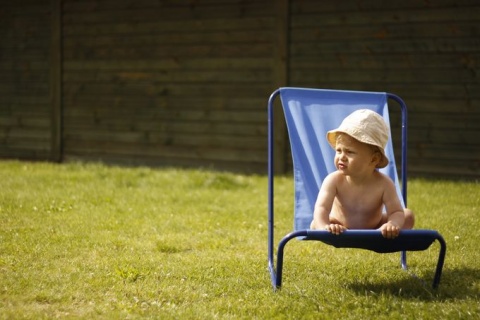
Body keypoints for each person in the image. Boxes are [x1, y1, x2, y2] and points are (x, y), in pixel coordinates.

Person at [310, 109, 414, 239]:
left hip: (375, 228)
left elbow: (396, 211)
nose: (341, 157)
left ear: (374, 159)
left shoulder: (384, 184)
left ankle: (386, 236)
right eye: (338, 150)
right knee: (316, 222)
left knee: (407, 216)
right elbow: (321, 208)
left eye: (349, 152)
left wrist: (392, 224)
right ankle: (326, 229)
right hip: (340, 227)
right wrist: (325, 227)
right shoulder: (334, 180)